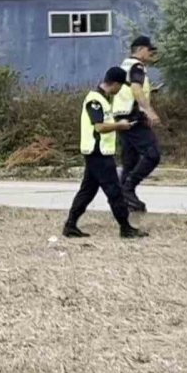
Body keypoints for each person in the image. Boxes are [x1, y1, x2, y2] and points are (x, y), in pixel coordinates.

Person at [63, 67, 149, 239]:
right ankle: (126, 228)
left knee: (87, 191)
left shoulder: (102, 100)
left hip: (97, 153)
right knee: (114, 192)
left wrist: (130, 121)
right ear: (115, 84)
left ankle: (70, 225)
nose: (120, 91)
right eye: (120, 86)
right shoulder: (95, 100)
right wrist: (120, 126)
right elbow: (100, 127)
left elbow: (106, 123)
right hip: (98, 153)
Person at [113, 36, 161, 214]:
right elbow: (135, 88)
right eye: (150, 50)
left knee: (130, 161)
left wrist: (150, 92)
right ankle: (128, 188)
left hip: (121, 117)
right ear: (140, 49)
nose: (151, 54)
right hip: (133, 117)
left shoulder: (123, 65)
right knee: (152, 154)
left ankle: (125, 200)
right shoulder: (137, 66)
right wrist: (148, 110)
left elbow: (126, 89)